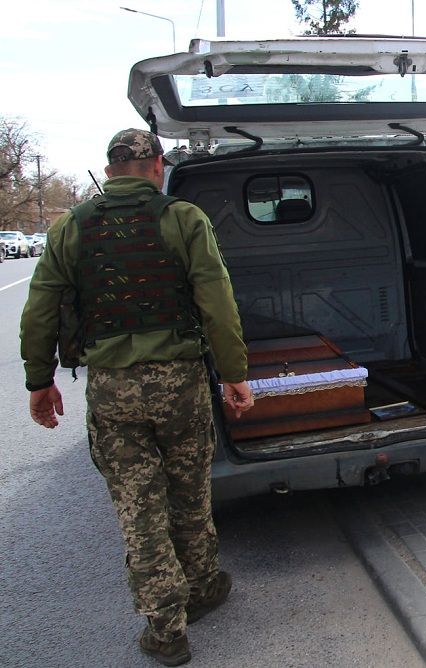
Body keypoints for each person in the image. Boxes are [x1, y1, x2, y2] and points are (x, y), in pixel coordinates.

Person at [19, 128, 253, 666]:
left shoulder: (71, 227)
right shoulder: (184, 218)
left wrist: (39, 380)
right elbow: (216, 300)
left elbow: (41, 308)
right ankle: (201, 588)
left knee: (138, 507)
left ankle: (165, 630)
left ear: (110, 168)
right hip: (179, 382)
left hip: (111, 387)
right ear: (156, 165)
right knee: (189, 490)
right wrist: (234, 373)